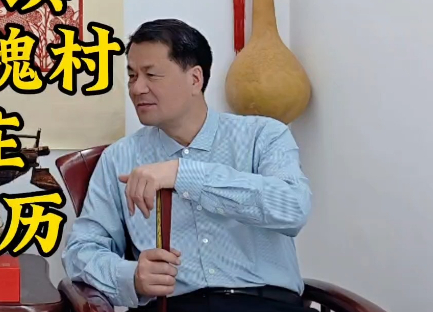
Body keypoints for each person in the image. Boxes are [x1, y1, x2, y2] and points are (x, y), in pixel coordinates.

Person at [62, 19, 312, 312]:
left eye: (151, 75)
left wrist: (183, 174)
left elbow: (293, 209)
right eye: (132, 76)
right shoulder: (120, 158)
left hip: (266, 303)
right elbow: (81, 250)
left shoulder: (264, 135)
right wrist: (131, 276)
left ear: (195, 79)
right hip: (172, 306)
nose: (137, 88)